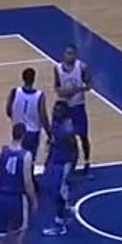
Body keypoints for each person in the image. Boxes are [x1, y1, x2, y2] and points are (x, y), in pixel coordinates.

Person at [53, 44, 93, 174]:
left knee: (83, 136)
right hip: (65, 108)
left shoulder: (82, 67)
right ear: (64, 54)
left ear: (76, 55)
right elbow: (56, 87)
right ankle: (69, 162)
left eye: (72, 53)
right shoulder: (57, 68)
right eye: (67, 53)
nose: (69, 56)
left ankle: (87, 161)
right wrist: (63, 92)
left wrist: (77, 89)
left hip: (78, 106)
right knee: (66, 137)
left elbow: (89, 85)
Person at [40, 100, 76, 237]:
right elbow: (53, 143)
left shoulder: (67, 130)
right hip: (54, 161)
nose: (55, 112)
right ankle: (65, 209)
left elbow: (74, 149)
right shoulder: (55, 123)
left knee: (58, 193)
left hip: (62, 163)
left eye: (59, 110)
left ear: (65, 113)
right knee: (50, 189)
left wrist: (71, 169)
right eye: (55, 109)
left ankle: (60, 224)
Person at [6, 67, 49, 163]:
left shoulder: (14, 92)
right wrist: (49, 132)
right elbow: (43, 116)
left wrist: (16, 119)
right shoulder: (39, 95)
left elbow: (8, 110)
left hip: (18, 131)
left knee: (18, 158)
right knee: (30, 160)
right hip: (32, 133)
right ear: (34, 79)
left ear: (23, 78)